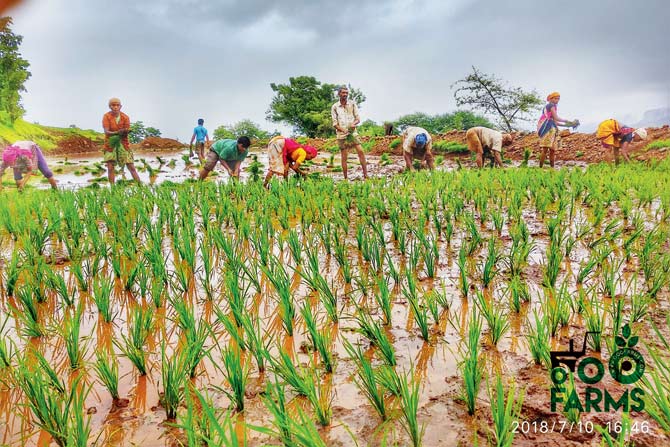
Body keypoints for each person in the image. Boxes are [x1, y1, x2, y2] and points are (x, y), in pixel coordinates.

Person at [331, 86, 368, 180]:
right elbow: (335, 124)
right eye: (343, 93)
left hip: (352, 133)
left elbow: (358, 119)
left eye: (346, 93)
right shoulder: (335, 107)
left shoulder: (352, 104)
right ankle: (346, 178)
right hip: (341, 135)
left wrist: (353, 124)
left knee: (361, 151)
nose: (345, 95)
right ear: (339, 94)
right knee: (344, 156)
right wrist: (343, 130)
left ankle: (366, 175)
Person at [102, 97, 141, 185]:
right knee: (110, 167)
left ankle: (140, 187)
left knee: (131, 166)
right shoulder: (106, 116)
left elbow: (126, 131)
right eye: (113, 105)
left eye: (117, 105)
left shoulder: (125, 117)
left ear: (120, 106)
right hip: (110, 145)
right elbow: (106, 131)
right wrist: (117, 132)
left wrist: (125, 131)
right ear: (110, 106)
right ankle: (113, 189)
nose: (115, 107)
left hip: (123, 144)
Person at [536, 92, 579, 168]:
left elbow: (556, 122)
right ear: (551, 99)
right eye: (555, 98)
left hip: (553, 128)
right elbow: (556, 118)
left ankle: (552, 169)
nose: (557, 100)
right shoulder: (551, 105)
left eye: (558, 99)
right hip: (547, 128)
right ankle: (540, 168)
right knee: (545, 149)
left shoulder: (553, 107)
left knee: (552, 150)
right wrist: (568, 121)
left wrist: (568, 125)